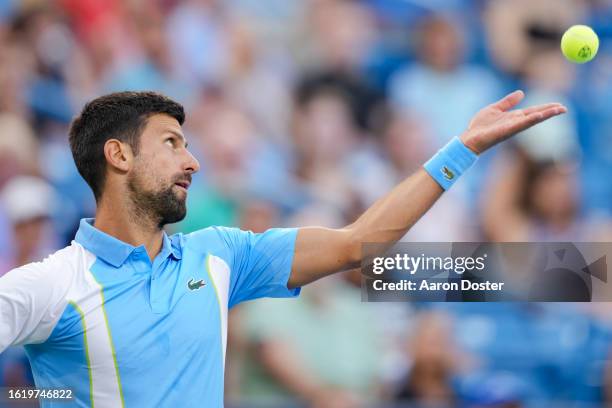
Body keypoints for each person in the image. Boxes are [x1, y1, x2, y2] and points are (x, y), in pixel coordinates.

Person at [0, 90, 565, 407]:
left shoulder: (218, 254)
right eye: (171, 144)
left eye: (189, 145)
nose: (192, 161)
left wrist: (462, 149)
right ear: (119, 156)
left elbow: (354, 245)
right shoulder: (53, 285)